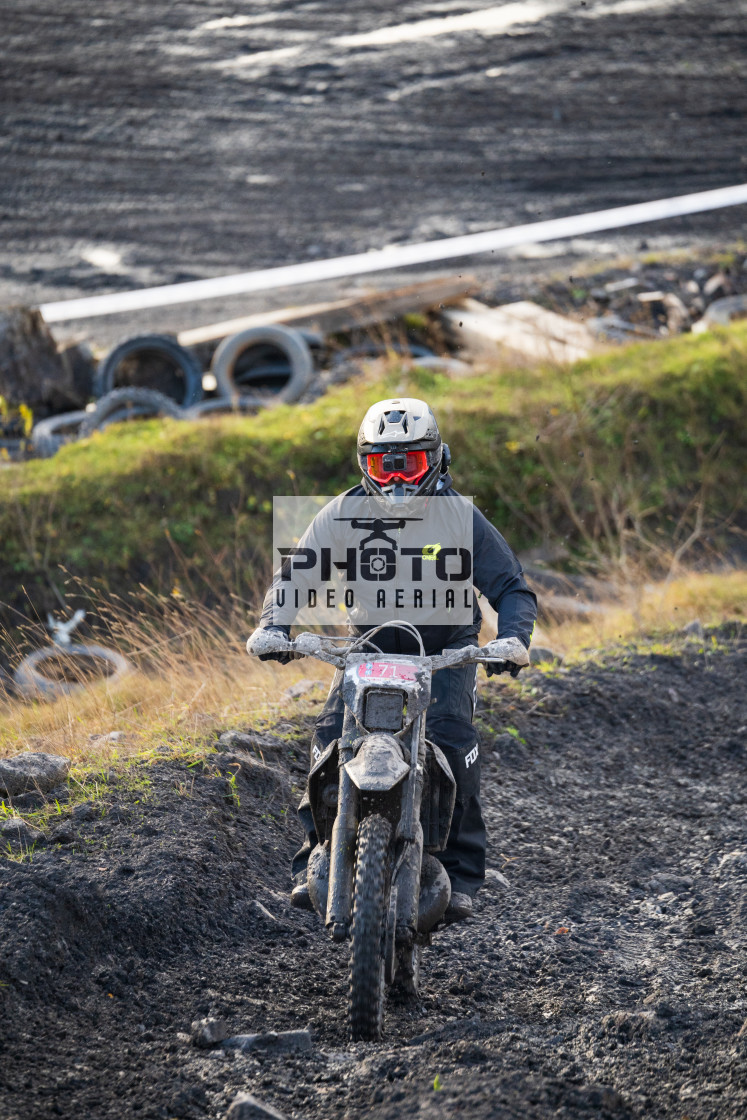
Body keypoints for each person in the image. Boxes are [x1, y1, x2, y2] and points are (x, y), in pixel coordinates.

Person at [249, 397, 537, 922]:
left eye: (412, 464)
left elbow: (513, 588)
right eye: (386, 465)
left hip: (447, 650)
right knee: (330, 738)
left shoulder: (460, 517)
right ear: (366, 464)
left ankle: (460, 873)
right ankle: (314, 856)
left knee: (453, 742)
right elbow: (294, 577)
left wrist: (513, 638)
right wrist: (274, 626)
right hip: (371, 647)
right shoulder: (340, 513)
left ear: (436, 460)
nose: (399, 480)